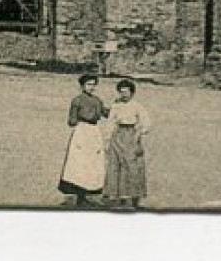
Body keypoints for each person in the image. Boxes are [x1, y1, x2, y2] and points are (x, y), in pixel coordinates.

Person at [57, 74, 108, 207]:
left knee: (92, 162)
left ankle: (86, 194)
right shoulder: (77, 100)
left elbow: (106, 113)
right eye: (89, 84)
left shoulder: (97, 100)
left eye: (93, 84)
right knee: (79, 162)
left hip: (94, 132)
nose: (91, 87)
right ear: (82, 86)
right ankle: (78, 194)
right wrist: (78, 117)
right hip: (82, 131)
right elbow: (71, 121)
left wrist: (120, 108)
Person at [103, 78, 151, 211]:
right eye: (121, 92)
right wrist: (107, 139)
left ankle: (135, 199)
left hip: (131, 136)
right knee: (116, 166)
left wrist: (138, 135)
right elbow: (111, 122)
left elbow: (146, 123)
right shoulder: (116, 105)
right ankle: (121, 199)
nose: (124, 95)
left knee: (133, 167)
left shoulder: (137, 106)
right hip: (118, 136)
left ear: (132, 92)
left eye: (126, 92)